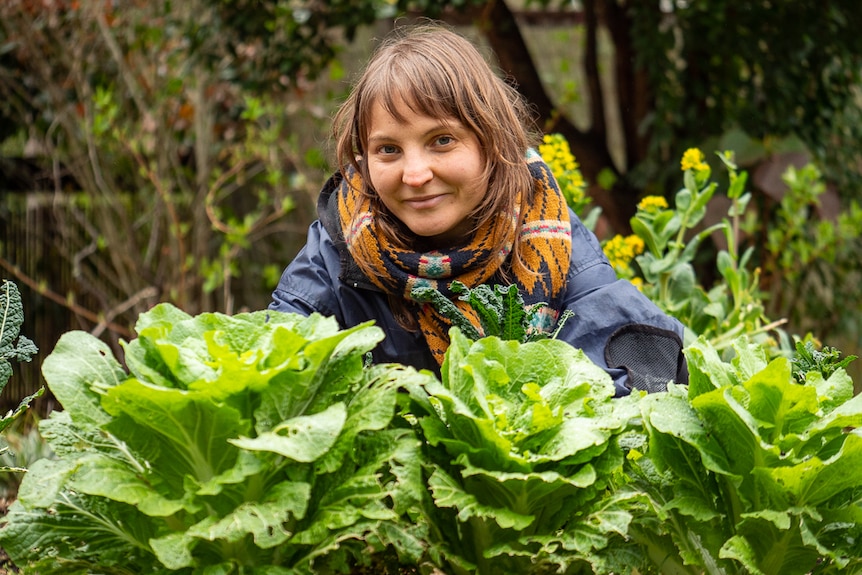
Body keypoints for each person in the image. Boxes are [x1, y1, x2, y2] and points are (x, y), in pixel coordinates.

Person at [269, 23, 687, 396]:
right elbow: (274, 363)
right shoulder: (336, 249)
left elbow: (645, 367)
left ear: (493, 143)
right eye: (388, 150)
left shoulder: (549, 237)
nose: (414, 174)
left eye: (442, 141)